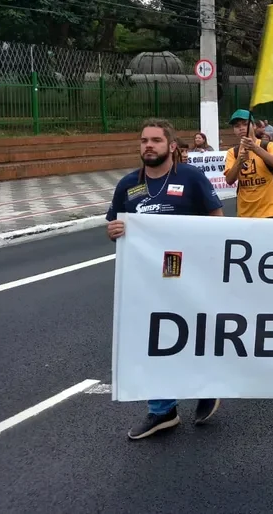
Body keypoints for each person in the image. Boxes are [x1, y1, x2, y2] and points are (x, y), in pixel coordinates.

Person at [106, 118, 224, 440]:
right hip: (145, 280)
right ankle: (163, 411)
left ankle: (207, 384)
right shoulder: (128, 185)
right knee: (154, 341)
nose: (148, 145)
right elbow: (115, 225)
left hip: (187, 274)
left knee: (191, 334)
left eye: (156, 140)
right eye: (144, 140)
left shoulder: (191, 178)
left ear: (171, 146)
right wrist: (114, 231)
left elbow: (218, 222)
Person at [224, 109, 273, 218]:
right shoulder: (232, 152)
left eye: (245, 124)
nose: (241, 128)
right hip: (244, 213)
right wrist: (239, 161)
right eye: (237, 126)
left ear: (254, 126)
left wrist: (255, 148)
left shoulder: (269, 146)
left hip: (268, 211)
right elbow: (229, 180)